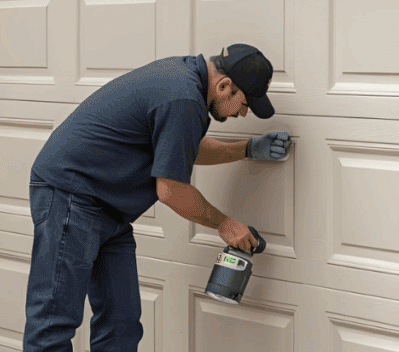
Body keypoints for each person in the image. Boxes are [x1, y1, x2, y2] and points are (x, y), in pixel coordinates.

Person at [23, 43, 291, 352]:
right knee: (52, 323)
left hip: (109, 208)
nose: (243, 113)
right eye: (244, 104)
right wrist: (225, 224)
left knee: (121, 324)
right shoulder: (183, 96)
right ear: (224, 86)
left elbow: (179, 148)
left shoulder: (184, 83)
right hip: (71, 196)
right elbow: (171, 190)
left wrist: (247, 149)